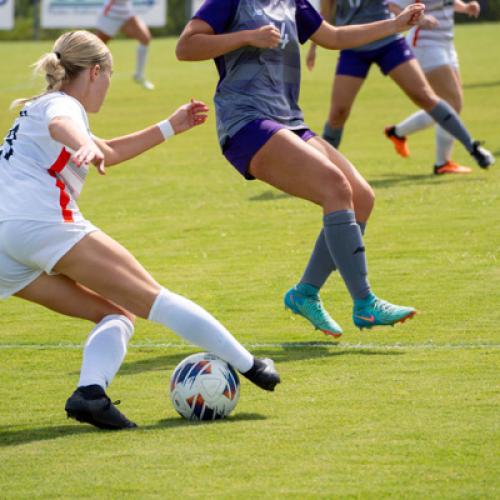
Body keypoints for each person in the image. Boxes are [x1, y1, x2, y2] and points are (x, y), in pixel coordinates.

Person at [0, 30, 280, 431]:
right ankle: (251, 366)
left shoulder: (38, 107)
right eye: (110, 76)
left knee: (115, 314)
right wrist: (84, 143)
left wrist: (170, 126)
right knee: (155, 299)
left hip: (4, 247)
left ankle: (90, 396)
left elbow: (106, 151)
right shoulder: (63, 104)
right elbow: (65, 126)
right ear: (96, 72)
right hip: (39, 223)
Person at [176, 0, 426, 338]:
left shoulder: (292, 2)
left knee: (361, 197)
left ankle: (305, 293)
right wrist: (247, 36)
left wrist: (394, 25)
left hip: (288, 120)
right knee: (335, 186)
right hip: (245, 120)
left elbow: (334, 37)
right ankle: (365, 303)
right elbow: (185, 47)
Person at [305, 0, 494, 170]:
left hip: (389, 40)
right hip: (354, 46)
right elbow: (326, 11)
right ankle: (322, 168)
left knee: (425, 96)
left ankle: (473, 148)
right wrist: (314, 47)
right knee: (338, 113)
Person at [385, 0, 488, 174]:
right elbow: (391, 5)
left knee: (444, 105)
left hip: (447, 43)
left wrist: (464, 7)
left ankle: (397, 132)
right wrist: (418, 19)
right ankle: (442, 163)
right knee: (451, 104)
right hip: (426, 44)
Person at [96, 0, 155, 90]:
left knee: (145, 39)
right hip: (111, 13)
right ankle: (86, 76)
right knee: (96, 47)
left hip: (127, 14)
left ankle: (139, 75)